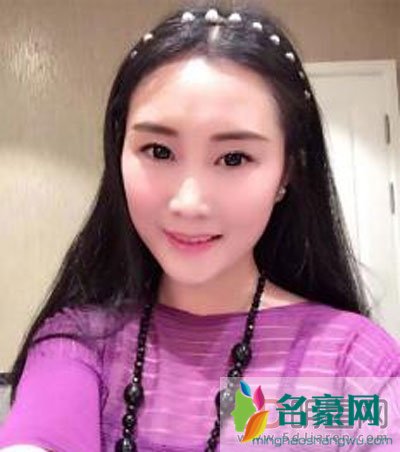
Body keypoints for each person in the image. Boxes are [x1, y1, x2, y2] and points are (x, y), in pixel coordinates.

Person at [0, 4, 399, 452]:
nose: (189, 203)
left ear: (285, 172)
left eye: (234, 158)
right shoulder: (80, 345)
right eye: (158, 151)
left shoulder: (354, 365)